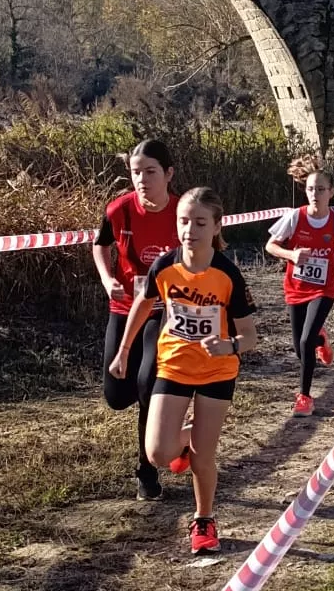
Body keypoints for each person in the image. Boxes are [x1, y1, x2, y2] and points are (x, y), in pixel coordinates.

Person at [110, 187, 259, 557]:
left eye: (200, 222)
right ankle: (193, 437)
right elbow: (142, 307)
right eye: (184, 221)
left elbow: (251, 336)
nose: (190, 230)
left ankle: (203, 520)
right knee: (158, 452)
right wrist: (124, 351)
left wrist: (231, 345)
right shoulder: (164, 265)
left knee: (202, 457)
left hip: (216, 371)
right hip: (174, 364)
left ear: (216, 226)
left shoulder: (228, 274)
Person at [94, 139, 182, 503]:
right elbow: (100, 244)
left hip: (164, 311)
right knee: (116, 396)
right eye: (135, 172)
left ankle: (147, 472)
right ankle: (171, 420)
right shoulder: (120, 210)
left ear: (168, 174)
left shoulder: (182, 212)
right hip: (125, 307)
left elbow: (209, 253)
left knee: (147, 383)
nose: (142, 180)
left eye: (150, 172)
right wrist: (107, 279)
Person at [266, 158, 334, 415]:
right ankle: (321, 339)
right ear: (306, 190)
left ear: (331, 192)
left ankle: (304, 397)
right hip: (296, 286)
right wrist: (291, 255)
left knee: (305, 341)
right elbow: (270, 246)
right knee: (299, 346)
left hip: (323, 288)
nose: (315, 194)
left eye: (321, 189)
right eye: (311, 189)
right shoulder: (294, 217)